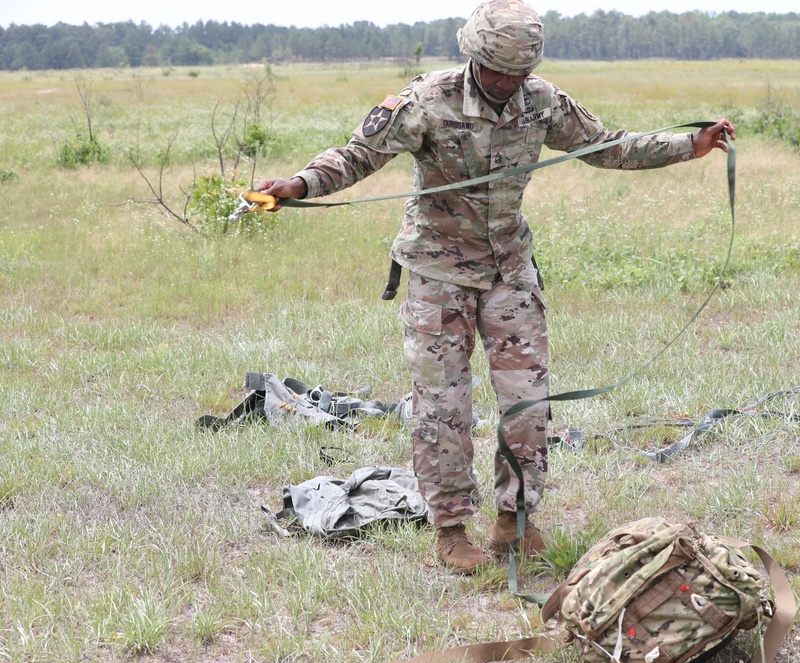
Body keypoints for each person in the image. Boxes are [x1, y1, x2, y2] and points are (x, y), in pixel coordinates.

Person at [256, 0, 735, 574]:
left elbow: (606, 145)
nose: (508, 82)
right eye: (497, 70)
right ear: (473, 56)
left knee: (528, 402)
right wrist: (300, 185)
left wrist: (691, 145)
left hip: (510, 269)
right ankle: (451, 528)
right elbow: (358, 155)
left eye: (518, 72)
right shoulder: (425, 101)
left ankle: (517, 519)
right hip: (439, 274)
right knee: (442, 407)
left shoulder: (542, 101)